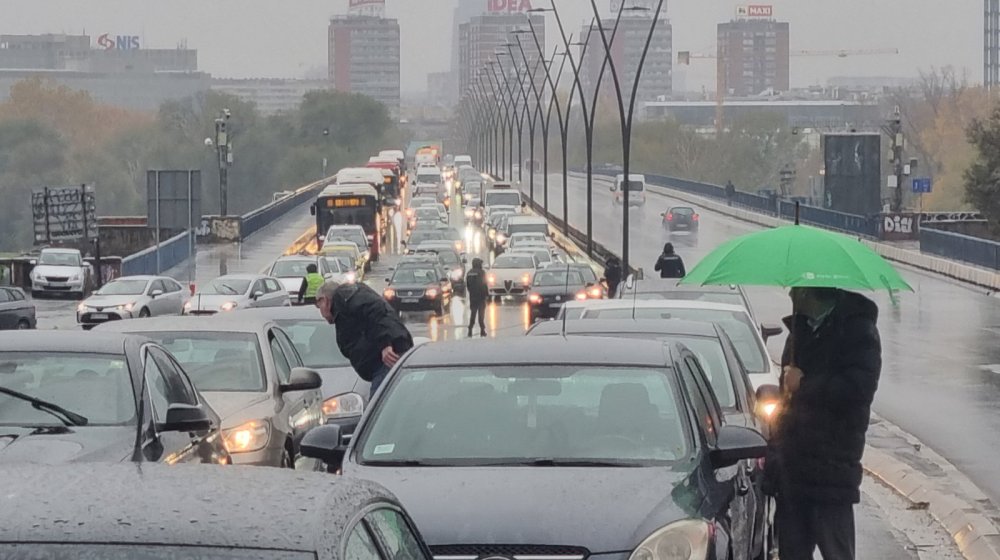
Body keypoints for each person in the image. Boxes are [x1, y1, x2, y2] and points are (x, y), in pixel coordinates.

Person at [767, 287, 881, 560]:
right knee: (791, 553)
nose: (791, 294)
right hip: (794, 471)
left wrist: (803, 384)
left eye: (797, 289)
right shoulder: (800, 332)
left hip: (832, 470)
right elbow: (786, 402)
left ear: (812, 293)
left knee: (836, 552)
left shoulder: (857, 331)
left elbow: (858, 389)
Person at [315, 280, 414, 398]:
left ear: (324, 300)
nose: (319, 310)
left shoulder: (343, 297)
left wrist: (385, 344)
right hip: (382, 364)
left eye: (318, 305)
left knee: (379, 412)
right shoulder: (345, 302)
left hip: (385, 363)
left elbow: (376, 310)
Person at [465, 257, 488, 337]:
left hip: (473, 297)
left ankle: (470, 329)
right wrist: (486, 295)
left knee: (473, 314)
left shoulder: (469, 273)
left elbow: (467, 285)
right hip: (481, 297)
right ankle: (482, 330)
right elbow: (484, 285)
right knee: (481, 315)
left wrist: (472, 292)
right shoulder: (482, 273)